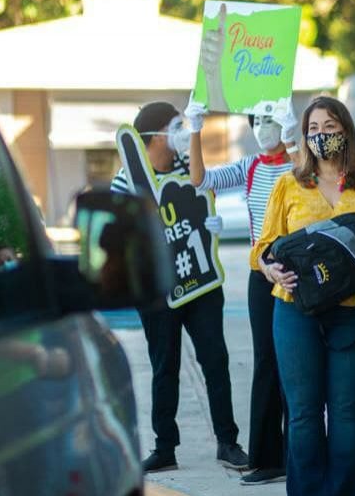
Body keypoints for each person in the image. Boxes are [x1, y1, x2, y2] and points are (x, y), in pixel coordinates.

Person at [252, 95, 355, 496]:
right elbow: (264, 248)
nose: (320, 136)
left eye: (329, 128)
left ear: (346, 131)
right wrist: (270, 267)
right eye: (313, 130)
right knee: (305, 414)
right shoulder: (288, 184)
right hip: (295, 311)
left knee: (345, 413)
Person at [109, 101, 248, 473]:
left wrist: (211, 222)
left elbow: (205, 197)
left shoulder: (190, 168)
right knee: (164, 365)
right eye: (175, 126)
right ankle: (165, 447)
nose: (182, 132)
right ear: (154, 136)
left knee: (215, 360)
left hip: (200, 281)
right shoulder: (127, 179)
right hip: (157, 291)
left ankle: (228, 441)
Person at [186, 99, 299, 486]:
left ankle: (299, 451)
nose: (265, 128)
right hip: (260, 273)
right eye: (258, 121)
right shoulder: (250, 166)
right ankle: (267, 456)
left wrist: (295, 140)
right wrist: (195, 128)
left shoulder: (300, 165)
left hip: (299, 273)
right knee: (266, 360)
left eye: (272, 120)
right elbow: (200, 179)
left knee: (297, 361)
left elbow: (315, 183)